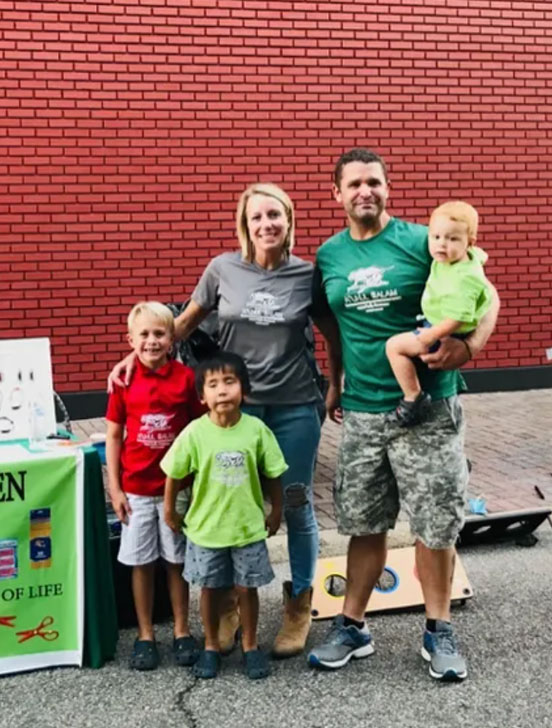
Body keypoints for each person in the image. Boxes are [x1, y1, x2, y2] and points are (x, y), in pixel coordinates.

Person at [110, 183, 341, 658]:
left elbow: (333, 333)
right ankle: (235, 602)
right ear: (245, 224)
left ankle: (299, 606)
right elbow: (183, 323)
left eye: (274, 215)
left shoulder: (306, 275)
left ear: (288, 220)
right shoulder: (222, 270)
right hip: (235, 410)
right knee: (230, 503)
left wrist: (336, 383)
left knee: (295, 506)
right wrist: (139, 355)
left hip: (296, 407)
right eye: (257, 217)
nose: (266, 225)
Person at [308, 148, 499, 682]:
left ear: (388, 188)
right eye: (354, 184)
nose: (364, 191)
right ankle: (352, 626)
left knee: (435, 526)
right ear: (337, 194)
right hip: (365, 412)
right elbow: (331, 326)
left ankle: (438, 631)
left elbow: (488, 297)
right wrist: (335, 379)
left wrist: (471, 348)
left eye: (374, 182)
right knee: (364, 525)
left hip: (429, 409)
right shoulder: (329, 256)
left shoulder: (424, 240)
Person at [161, 352, 286, 680]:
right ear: (202, 396)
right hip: (205, 529)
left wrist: (276, 511)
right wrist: (169, 508)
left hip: (247, 528)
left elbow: (273, 473)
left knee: (248, 589)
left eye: (229, 382)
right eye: (213, 385)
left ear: (243, 389)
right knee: (210, 589)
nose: (222, 390)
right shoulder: (194, 433)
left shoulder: (256, 430)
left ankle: (250, 644)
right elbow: (174, 473)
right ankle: (212, 645)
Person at [105, 301, 203, 670]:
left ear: (172, 338)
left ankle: (181, 630)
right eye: (143, 334)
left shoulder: (185, 379)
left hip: (174, 491)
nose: (151, 341)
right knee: (141, 563)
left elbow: (197, 431)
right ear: (130, 339)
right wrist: (114, 489)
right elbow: (114, 436)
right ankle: (146, 635)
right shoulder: (123, 381)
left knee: (176, 562)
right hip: (136, 492)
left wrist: (195, 484)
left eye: (159, 333)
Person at [385, 201, 494, 426]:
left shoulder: (466, 276)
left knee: (394, 347)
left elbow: (460, 317)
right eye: (436, 237)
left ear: (470, 242)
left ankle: (413, 397)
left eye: (452, 239)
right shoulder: (450, 260)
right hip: (439, 325)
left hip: (448, 333)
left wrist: (432, 334)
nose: (441, 245)